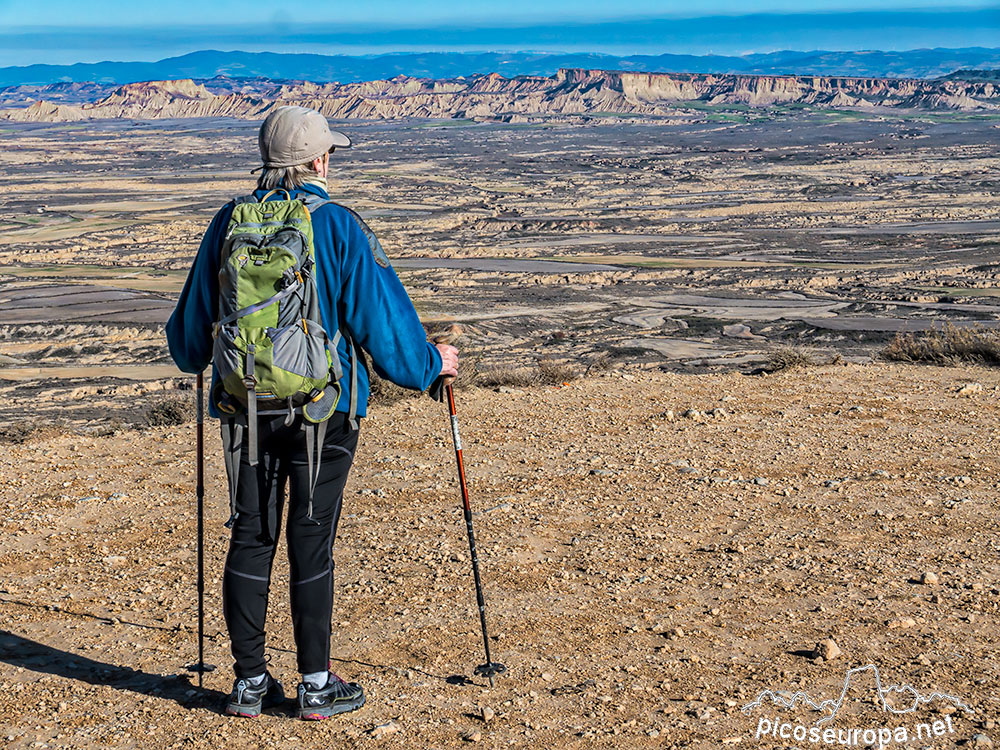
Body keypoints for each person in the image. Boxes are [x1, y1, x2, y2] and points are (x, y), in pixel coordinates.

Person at [166, 105, 458, 720]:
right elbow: (386, 328)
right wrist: (432, 365)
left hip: (243, 406)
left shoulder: (227, 223)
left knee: (251, 532)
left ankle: (249, 684)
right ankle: (317, 685)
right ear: (320, 160)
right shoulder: (340, 227)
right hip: (326, 411)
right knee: (311, 536)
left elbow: (187, 339)